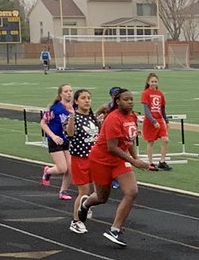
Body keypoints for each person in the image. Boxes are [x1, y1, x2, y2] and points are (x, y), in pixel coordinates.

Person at [76, 88, 156, 246]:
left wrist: (136, 158)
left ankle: (115, 230)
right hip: (101, 160)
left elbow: (130, 140)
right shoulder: (113, 119)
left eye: (132, 99)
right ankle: (85, 204)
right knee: (101, 198)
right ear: (117, 102)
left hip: (119, 161)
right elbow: (112, 147)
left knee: (132, 192)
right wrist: (134, 162)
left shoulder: (132, 117)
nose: (130, 102)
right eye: (126, 99)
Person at [65, 88, 100, 233]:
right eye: (83, 98)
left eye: (89, 98)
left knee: (99, 190)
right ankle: (75, 221)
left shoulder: (93, 118)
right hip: (80, 159)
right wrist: (72, 117)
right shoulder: (73, 117)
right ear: (76, 101)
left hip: (95, 159)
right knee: (84, 191)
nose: (87, 101)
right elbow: (70, 134)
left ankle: (86, 206)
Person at [39, 84, 74, 198]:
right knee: (62, 168)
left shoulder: (73, 108)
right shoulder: (55, 109)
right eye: (66, 91)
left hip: (67, 140)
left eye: (70, 91)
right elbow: (43, 123)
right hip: (55, 140)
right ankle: (48, 171)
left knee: (70, 167)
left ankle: (63, 191)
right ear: (61, 94)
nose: (69, 93)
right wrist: (53, 136)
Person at [140, 72, 171, 170]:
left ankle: (162, 161)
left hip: (159, 120)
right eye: (152, 81)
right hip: (150, 121)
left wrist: (166, 121)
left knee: (165, 139)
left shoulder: (160, 94)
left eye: (155, 81)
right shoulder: (146, 93)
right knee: (150, 142)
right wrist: (153, 121)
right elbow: (146, 110)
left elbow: (162, 109)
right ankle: (151, 163)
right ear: (148, 82)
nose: (154, 83)